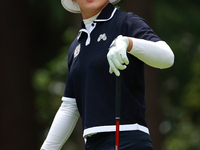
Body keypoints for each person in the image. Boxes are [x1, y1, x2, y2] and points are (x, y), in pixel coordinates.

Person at [40, 0, 174, 149]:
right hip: (93, 144)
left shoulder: (126, 22)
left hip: (128, 140)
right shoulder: (76, 46)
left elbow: (167, 58)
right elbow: (70, 106)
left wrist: (128, 43)